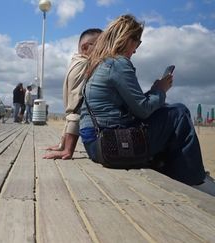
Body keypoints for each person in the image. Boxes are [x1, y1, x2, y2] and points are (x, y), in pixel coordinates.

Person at [79, 14, 215, 196]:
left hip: (95, 144)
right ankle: (195, 180)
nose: (136, 49)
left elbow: (133, 107)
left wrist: (154, 93)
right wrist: (160, 90)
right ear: (127, 39)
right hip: (109, 144)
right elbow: (142, 110)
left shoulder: (98, 64)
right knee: (179, 113)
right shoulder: (118, 63)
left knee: (166, 110)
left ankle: (177, 170)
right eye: (138, 42)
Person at [44, 28, 102, 159]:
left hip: (71, 117)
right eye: (101, 45)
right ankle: (67, 148)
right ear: (85, 47)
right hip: (76, 116)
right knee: (77, 107)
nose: (105, 49)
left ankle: (63, 145)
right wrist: (68, 150)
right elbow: (76, 108)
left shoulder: (76, 60)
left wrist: (61, 144)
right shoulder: (84, 64)